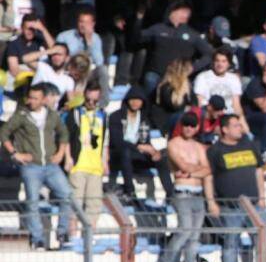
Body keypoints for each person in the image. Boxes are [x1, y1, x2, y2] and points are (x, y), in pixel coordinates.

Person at [0, 83, 71, 249]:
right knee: (32, 201)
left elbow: (64, 132)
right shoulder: (22, 115)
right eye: (29, 97)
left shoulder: (51, 115)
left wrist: (61, 153)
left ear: (43, 99)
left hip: (51, 165)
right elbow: (4, 133)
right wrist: (15, 153)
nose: (30, 101)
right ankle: (37, 237)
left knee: (67, 196)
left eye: (35, 98)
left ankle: (62, 232)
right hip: (31, 166)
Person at [151, 112, 210, 262]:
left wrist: (191, 170)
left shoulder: (198, 146)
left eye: (192, 125)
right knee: (184, 230)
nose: (189, 129)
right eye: (186, 125)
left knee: (194, 236)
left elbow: (207, 169)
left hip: (198, 194)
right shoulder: (173, 144)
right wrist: (195, 168)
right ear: (181, 126)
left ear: (197, 127)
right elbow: (183, 165)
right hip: (182, 193)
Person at [204, 114, 266, 262]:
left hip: (254, 205)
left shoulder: (250, 145)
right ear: (225, 129)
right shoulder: (215, 151)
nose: (241, 128)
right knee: (231, 244)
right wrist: (211, 202)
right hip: (230, 207)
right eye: (236, 125)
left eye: (240, 125)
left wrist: (262, 197)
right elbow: (209, 177)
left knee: (262, 243)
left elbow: (259, 171)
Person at [132, 0, 212, 95]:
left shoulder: (193, 34)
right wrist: (139, 19)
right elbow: (136, 38)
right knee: (149, 79)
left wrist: (193, 67)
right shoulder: (158, 28)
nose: (184, 14)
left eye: (186, 12)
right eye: (180, 11)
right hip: (156, 74)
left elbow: (209, 54)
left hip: (178, 77)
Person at [107, 86, 171, 199]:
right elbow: (117, 142)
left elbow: (146, 142)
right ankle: (130, 190)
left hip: (138, 154)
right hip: (119, 155)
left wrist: (154, 152)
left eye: (139, 99)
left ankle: (170, 194)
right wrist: (139, 147)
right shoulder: (116, 116)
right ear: (127, 100)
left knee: (162, 156)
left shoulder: (144, 119)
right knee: (125, 152)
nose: (135, 102)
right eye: (133, 99)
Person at [63, 81, 106, 235]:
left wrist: (105, 161)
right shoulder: (75, 113)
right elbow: (66, 137)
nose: (91, 103)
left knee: (94, 204)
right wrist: (68, 157)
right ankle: (73, 236)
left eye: (95, 101)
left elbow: (104, 140)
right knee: (75, 202)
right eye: (88, 100)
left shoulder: (102, 114)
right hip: (78, 164)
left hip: (95, 167)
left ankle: (89, 236)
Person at [55, 8, 108, 105]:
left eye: (87, 22)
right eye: (81, 21)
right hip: (69, 70)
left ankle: (102, 104)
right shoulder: (64, 36)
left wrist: (89, 43)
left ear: (93, 24)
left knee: (103, 70)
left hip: (87, 72)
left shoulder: (96, 38)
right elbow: (58, 57)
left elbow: (99, 62)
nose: (83, 25)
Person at [193, 47, 248, 132]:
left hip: (230, 117)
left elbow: (236, 105)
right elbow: (200, 103)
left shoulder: (234, 79)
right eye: (217, 61)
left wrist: (243, 125)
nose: (220, 64)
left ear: (229, 64)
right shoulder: (202, 77)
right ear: (213, 62)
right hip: (212, 116)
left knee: (246, 134)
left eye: (223, 61)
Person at [151, 59, 195, 134]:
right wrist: (183, 95)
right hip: (166, 121)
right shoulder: (165, 87)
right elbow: (174, 106)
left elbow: (194, 102)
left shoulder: (187, 85)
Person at [6, 12, 52, 78]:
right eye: (27, 28)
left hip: (38, 74)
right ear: (22, 28)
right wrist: (34, 74)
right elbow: (14, 70)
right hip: (20, 77)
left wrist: (43, 29)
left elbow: (55, 49)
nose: (30, 32)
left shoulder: (38, 39)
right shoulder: (14, 43)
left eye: (32, 29)